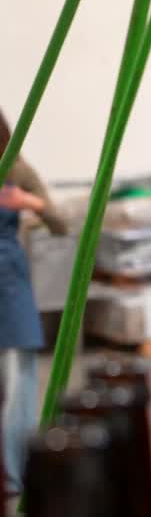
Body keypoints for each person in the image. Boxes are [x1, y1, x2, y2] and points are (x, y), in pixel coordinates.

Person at [0, 109, 67, 495]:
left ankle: (15, 474)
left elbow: (60, 223)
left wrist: (30, 203)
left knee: (17, 385)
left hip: (8, 284)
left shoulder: (18, 168)